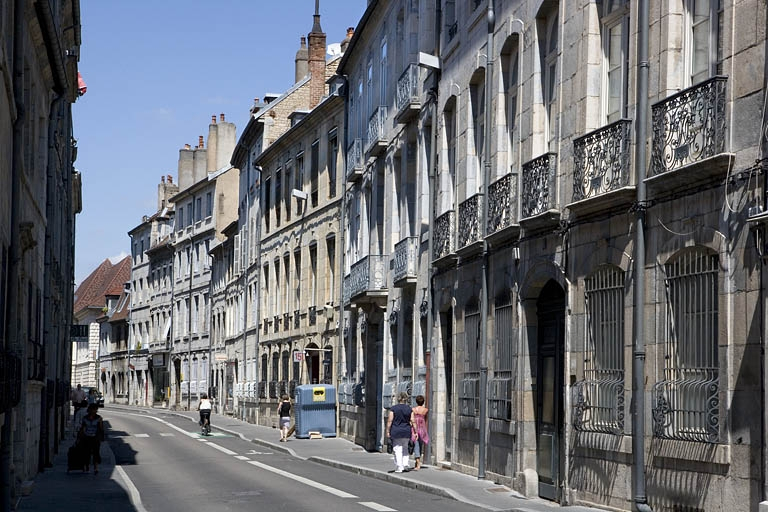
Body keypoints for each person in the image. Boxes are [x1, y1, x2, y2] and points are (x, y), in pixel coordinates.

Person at [386, 392, 413, 473]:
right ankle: (405, 464)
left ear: (398, 399)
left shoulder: (394, 408)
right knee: (405, 447)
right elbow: (413, 420)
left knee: (397, 449)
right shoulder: (409, 409)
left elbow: (390, 420)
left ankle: (399, 466)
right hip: (406, 430)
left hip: (396, 431)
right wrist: (414, 431)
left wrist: (387, 431)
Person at [79, 404, 104, 474]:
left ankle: (96, 468)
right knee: (87, 452)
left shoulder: (99, 418)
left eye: (95, 410)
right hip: (87, 438)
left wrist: (101, 437)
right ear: (89, 410)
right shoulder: (85, 418)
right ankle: (86, 466)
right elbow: (83, 427)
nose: (94, 411)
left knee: (96, 453)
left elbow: (101, 428)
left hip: (95, 438)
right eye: (93, 409)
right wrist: (81, 436)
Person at [410, 395, 429, 470]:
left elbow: (411, 419)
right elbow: (426, 420)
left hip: (415, 428)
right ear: (423, 402)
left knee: (416, 444)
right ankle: (417, 460)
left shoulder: (413, 409)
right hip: (422, 428)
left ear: (416, 401)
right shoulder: (425, 410)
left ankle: (417, 462)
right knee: (420, 445)